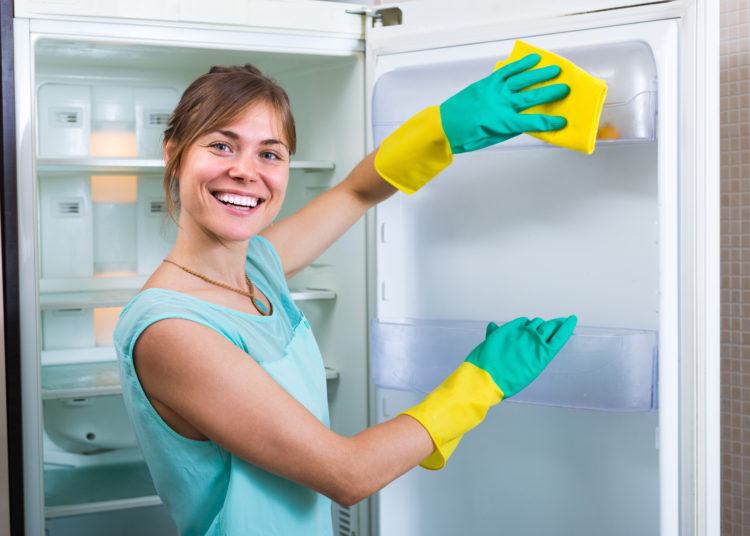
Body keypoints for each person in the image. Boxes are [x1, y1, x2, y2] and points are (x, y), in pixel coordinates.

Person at [114, 58, 578, 536]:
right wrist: (480, 384)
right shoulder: (170, 331)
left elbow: (356, 191)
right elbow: (347, 473)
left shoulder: (256, 268)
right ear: (174, 154)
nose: (245, 171)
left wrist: (443, 129)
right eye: (221, 145)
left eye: (269, 154)